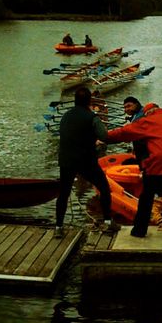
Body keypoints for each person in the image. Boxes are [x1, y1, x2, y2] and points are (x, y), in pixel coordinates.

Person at [106, 103, 162, 238]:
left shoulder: (148, 121)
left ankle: (139, 230)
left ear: (149, 112)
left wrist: (105, 137)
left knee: (147, 196)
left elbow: (125, 133)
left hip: (159, 161)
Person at [55, 85, 120, 237]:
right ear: (89, 101)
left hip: (66, 159)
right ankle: (108, 222)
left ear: (75, 101)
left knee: (63, 194)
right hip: (85, 160)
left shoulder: (65, 116)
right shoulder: (92, 117)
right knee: (104, 188)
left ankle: (58, 227)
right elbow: (104, 135)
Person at [122, 96, 148, 167]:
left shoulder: (139, 117)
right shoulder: (140, 111)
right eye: (125, 107)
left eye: (129, 106)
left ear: (136, 104)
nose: (126, 109)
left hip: (145, 149)